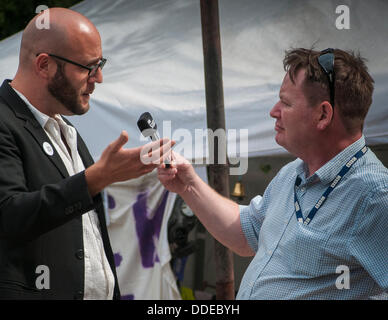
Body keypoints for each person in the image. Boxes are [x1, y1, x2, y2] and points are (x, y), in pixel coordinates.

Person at [158, 47, 388, 299]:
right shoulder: (293, 172)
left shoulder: (375, 195)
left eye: (286, 102)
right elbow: (245, 234)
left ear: (323, 114)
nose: (274, 111)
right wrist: (189, 185)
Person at [0, 8, 172, 300]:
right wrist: (95, 179)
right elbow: (9, 215)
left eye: (100, 64)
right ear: (44, 65)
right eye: (89, 67)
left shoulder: (66, 131)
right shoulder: (4, 120)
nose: (99, 78)